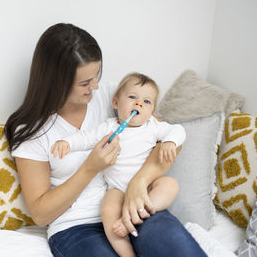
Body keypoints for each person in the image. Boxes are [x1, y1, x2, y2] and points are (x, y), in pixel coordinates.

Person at [4, 23, 206, 257]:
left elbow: (163, 139)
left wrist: (139, 182)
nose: (96, 86)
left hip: (134, 207)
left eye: (96, 76)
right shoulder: (31, 130)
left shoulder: (117, 97)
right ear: (55, 82)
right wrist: (90, 168)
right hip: (77, 228)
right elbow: (40, 214)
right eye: (85, 83)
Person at [50, 72, 185, 257]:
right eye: (132, 97)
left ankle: (138, 213)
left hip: (146, 188)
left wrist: (170, 141)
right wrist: (67, 143)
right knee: (108, 209)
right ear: (115, 103)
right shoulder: (109, 127)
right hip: (117, 190)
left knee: (170, 184)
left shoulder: (153, 127)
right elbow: (86, 138)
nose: (139, 104)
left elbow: (177, 130)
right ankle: (127, 253)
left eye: (147, 102)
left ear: (152, 111)